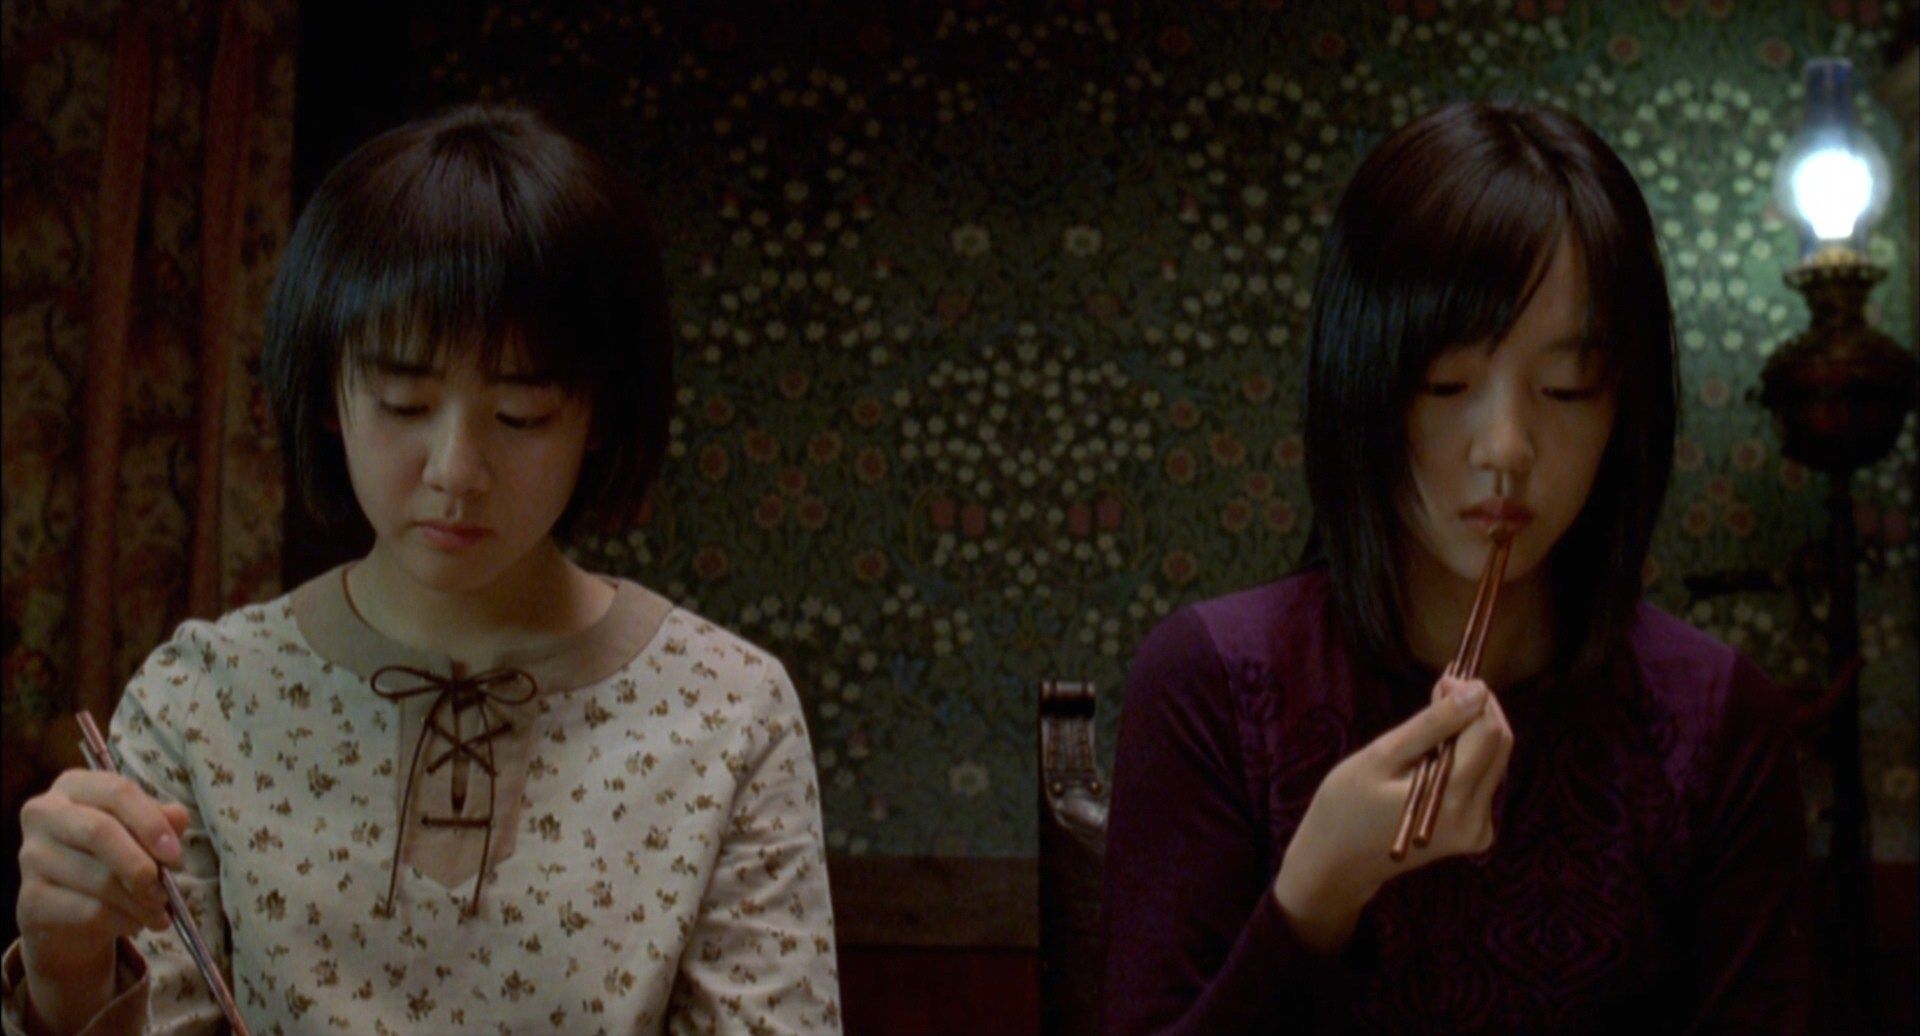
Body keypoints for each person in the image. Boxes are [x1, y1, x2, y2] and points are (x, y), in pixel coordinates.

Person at [7, 105, 841, 1036]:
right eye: (404, 402)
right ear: (329, 396)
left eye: (520, 416)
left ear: (599, 415)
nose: (455, 471)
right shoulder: (202, 700)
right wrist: (66, 972)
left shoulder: (727, 712)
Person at [1102, 100, 1808, 1033]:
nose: (1507, 448)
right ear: (1361, 382)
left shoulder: (1719, 721)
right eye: (1446, 383)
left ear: (1624, 406)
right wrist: (1314, 894)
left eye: (1565, 388)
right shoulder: (1213, 686)